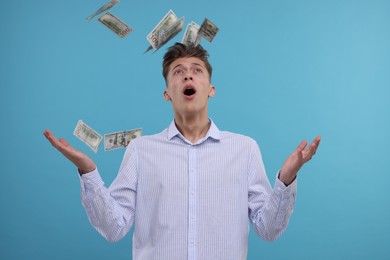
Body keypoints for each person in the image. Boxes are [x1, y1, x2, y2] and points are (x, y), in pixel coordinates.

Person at [43, 42, 321, 260]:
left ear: (210, 89)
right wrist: (88, 171)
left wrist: (286, 179)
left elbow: (268, 229)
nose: (188, 73)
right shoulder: (141, 150)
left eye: (197, 70)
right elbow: (114, 228)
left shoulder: (244, 149)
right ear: (167, 93)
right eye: (178, 71)